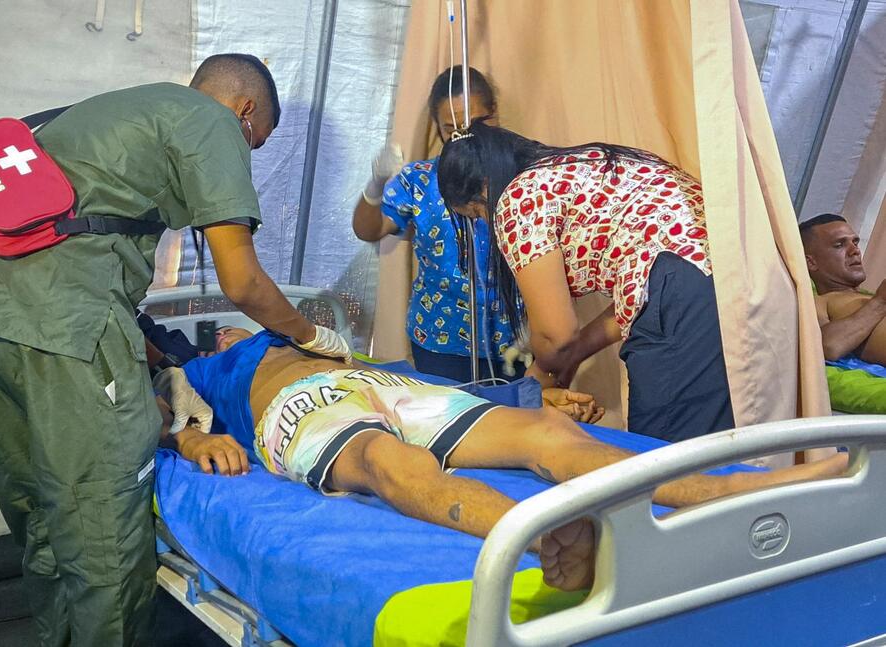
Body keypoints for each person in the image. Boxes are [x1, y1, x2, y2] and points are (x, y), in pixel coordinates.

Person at [0, 54, 352, 646]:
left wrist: (159, 362)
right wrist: (311, 337)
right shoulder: (212, 121)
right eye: (256, 142)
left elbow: (85, 241)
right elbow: (243, 283)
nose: (247, 153)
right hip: (65, 328)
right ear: (245, 110)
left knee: (46, 523)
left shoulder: (112, 114)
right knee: (107, 539)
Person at [173, 326, 846, 592]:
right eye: (228, 324)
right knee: (384, 462)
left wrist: (535, 393)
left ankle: (738, 488)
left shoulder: (312, 330)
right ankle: (553, 535)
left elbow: (411, 369)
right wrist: (191, 437)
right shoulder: (209, 362)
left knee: (543, 432)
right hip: (300, 406)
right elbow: (157, 403)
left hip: (387, 382)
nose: (238, 325)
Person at [436, 122, 734, 443]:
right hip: (733, 280)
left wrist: (533, 384)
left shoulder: (517, 198)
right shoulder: (591, 163)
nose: (485, 221)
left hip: (680, 301)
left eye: (477, 214)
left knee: (665, 464)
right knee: (711, 455)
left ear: (483, 188)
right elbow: (639, 293)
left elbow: (556, 336)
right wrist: (572, 356)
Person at [353, 66, 528, 382]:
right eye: (452, 129)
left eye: (478, 124)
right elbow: (368, 230)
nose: (467, 138)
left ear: (495, 115)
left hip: (512, 340)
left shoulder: (523, 176)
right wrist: (377, 182)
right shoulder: (420, 180)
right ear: (438, 129)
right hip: (438, 339)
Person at [801, 213, 886, 366]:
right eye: (839, 245)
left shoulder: (869, 296)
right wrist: (880, 302)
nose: (855, 251)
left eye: (855, 242)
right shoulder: (819, 302)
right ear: (811, 262)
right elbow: (827, 346)